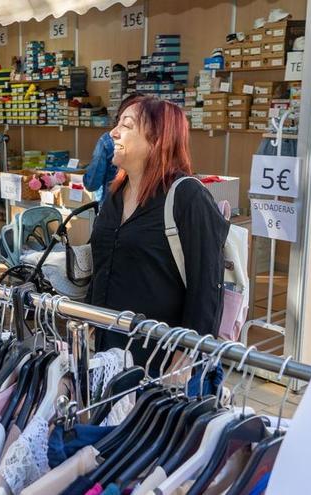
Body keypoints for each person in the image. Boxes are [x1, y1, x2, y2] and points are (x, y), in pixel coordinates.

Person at [87, 96, 229, 376]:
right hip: (108, 350)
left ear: (156, 139)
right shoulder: (116, 196)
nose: (113, 132)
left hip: (158, 359)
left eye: (125, 125)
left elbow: (207, 287)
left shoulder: (187, 196)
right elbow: (103, 264)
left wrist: (187, 354)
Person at [84, 92, 144, 200]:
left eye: (126, 124)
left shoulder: (107, 141)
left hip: (112, 205)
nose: (113, 134)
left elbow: (92, 183)